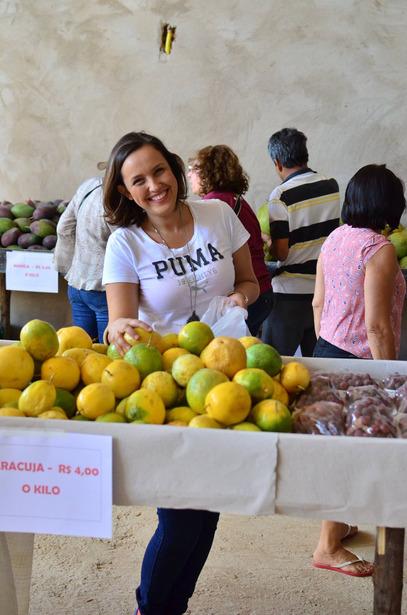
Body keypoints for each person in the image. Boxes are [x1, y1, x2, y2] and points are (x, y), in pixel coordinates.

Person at [101, 131, 259, 615]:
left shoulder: (219, 215)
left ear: (173, 169)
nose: (154, 185)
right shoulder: (125, 244)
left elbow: (251, 281)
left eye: (159, 171)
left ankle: (171, 606)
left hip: (226, 376)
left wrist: (241, 298)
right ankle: (152, 608)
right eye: (139, 180)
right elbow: (115, 324)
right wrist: (120, 329)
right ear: (127, 192)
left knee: (207, 511)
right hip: (166, 388)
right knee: (180, 515)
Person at [311, 163, 406, 577]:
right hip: (361, 362)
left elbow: (318, 303)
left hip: (326, 350)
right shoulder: (378, 249)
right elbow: (377, 324)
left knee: (338, 449)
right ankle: (327, 546)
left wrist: (329, 348)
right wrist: (389, 377)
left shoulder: (335, 238)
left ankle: (342, 525)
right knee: (352, 455)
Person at [262, 127, 340, 356]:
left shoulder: (280, 195)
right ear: (305, 154)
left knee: (274, 362)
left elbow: (281, 252)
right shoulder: (331, 186)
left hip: (289, 295)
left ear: (277, 162)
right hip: (323, 291)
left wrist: (267, 241)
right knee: (318, 365)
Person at [188, 144, 273, 336]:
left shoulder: (214, 207)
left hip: (245, 294)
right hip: (262, 290)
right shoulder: (237, 200)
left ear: (208, 172)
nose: (189, 175)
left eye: (193, 169)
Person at [54, 176, 113, 342]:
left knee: (82, 348)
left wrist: (69, 268)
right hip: (104, 288)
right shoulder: (118, 197)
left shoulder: (90, 185)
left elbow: (63, 227)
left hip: (77, 284)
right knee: (106, 353)